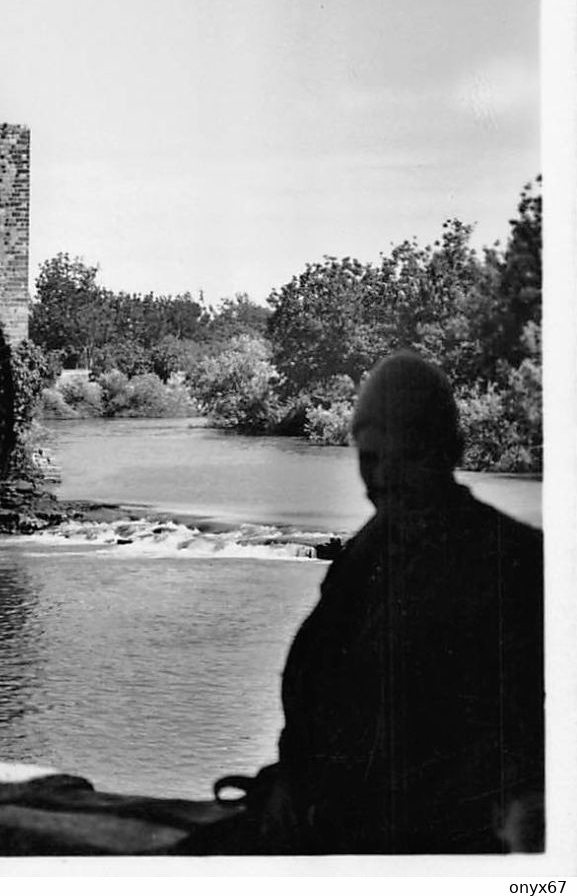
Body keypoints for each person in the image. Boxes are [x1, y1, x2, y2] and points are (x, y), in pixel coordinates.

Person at [180, 351, 544, 854]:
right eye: (371, 458)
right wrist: (292, 780)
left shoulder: (517, 562)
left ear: (449, 450)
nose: (385, 477)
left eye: (407, 455)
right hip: (332, 817)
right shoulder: (368, 551)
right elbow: (314, 682)